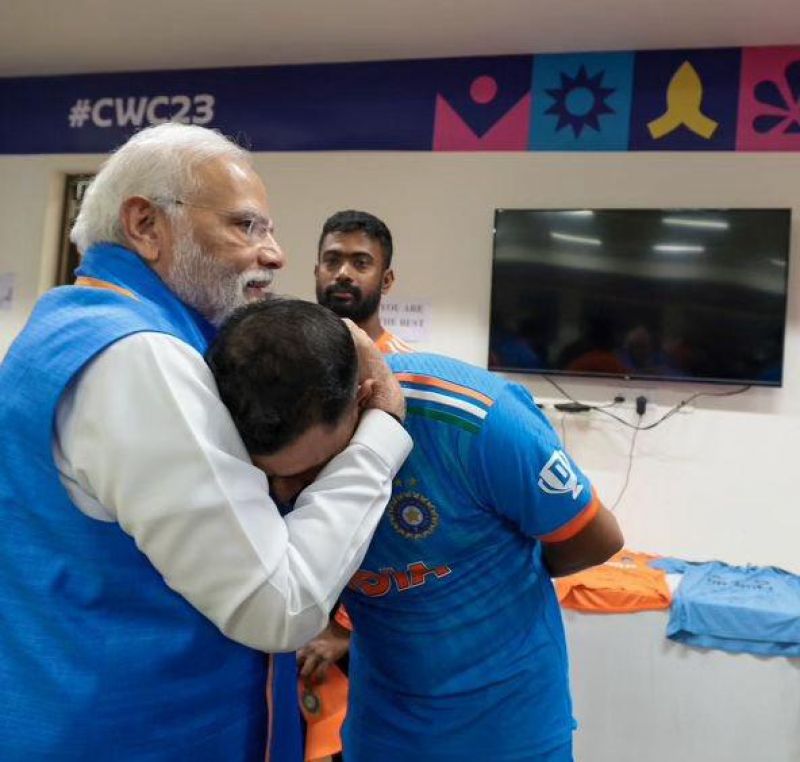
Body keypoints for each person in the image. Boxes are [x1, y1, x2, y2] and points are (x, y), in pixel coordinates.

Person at [0, 124, 412, 761]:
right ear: (145, 225)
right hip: (143, 735)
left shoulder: (66, 317)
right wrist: (382, 428)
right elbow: (278, 606)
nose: (274, 254)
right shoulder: (142, 357)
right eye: (246, 227)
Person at [209, 298, 625, 762]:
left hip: (509, 726)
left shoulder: (472, 417)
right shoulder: (227, 448)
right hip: (384, 729)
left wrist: (497, 579)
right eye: (271, 476)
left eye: (315, 471)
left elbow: (597, 539)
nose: (290, 493)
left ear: (364, 399)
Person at [315, 209, 412, 354]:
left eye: (360, 263)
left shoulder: (410, 369)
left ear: (386, 281)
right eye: (332, 261)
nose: (343, 274)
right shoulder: (290, 359)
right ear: (316, 273)